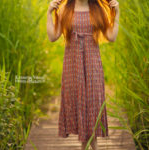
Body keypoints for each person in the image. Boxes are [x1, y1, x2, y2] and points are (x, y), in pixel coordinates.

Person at [47, 0, 119, 150]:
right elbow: (53, 37)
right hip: (73, 65)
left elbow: (111, 37)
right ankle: (90, 145)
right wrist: (49, 13)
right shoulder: (65, 10)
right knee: (77, 100)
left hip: (92, 63)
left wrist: (116, 14)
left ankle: (88, 145)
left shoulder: (98, 10)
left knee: (92, 101)